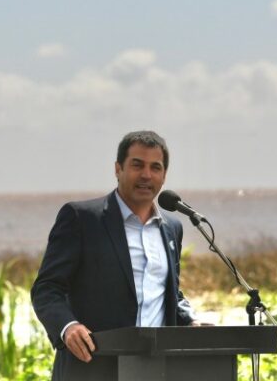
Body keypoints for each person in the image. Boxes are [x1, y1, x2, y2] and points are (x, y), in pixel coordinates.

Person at [31, 130, 200, 380]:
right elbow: (46, 288)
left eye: (155, 167)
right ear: (118, 169)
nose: (146, 175)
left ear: (164, 175)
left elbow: (169, 293)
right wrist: (68, 327)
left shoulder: (172, 228)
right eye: (137, 165)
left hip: (155, 370)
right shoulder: (82, 219)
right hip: (91, 368)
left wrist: (191, 321)